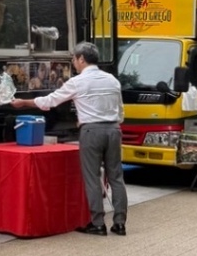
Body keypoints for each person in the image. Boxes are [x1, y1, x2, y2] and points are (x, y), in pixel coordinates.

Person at [11, 42, 128, 236]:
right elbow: (121, 110)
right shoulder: (112, 80)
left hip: (91, 132)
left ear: (82, 59)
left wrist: (24, 102)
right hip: (114, 129)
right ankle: (120, 223)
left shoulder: (78, 82)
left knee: (92, 177)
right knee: (116, 177)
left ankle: (98, 223)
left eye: (74, 58)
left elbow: (51, 100)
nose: (73, 62)